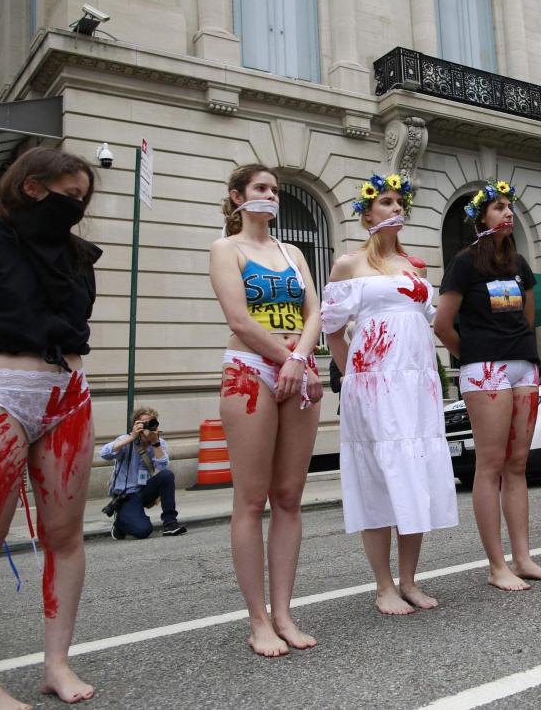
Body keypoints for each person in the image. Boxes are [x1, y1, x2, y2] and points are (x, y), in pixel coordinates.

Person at [0, 147, 101, 706]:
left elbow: (77, 324)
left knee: (66, 536)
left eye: (83, 199)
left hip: (69, 396)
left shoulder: (79, 256)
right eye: (69, 195)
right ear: (32, 186)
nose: (76, 207)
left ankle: (57, 664)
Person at [322, 172, 457, 614]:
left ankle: (410, 580)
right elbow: (333, 330)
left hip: (417, 382)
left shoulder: (414, 266)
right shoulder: (349, 264)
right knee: (378, 476)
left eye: (400, 202)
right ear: (367, 215)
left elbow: (427, 320)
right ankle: (383, 586)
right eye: (385, 202)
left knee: (414, 472)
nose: (395, 208)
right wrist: (352, 379)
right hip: (373, 383)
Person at [209, 163, 324, 656]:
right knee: (251, 500)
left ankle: (284, 612)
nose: (271, 196)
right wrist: (288, 359)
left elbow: (314, 311)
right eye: (261, 189)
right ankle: (257, 620)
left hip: (299, 370)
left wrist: (300, 359)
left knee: (290, 497)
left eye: (275, 190)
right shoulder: (225, 250)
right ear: (238, 197)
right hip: (249, 371)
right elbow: (238, 316)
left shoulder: (293, 252)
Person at [434, 180, 541, 591]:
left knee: (518, 464)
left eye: (509, 207)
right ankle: (496, 565)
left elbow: (525, 318)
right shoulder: (464, 264)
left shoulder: (519, 264)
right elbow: (442, 324)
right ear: (480, 218)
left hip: (523, 366)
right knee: (489, 465)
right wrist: (472, 353)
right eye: (498, 208)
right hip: (484, 371)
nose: (508, 213)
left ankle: (523, 558)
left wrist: (514, 348)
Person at [99, 407, 187, 539]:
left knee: (167, 475)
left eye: (151, 422)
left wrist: (155, 443)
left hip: (145, 490)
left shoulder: (158, 442)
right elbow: (104, 454)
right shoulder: (126, 440)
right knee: (143, 531)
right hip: (127, 495)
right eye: (143, 423)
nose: (147, 426)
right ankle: (120, 523)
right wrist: (132, 437)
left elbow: (162, 466)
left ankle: (170, 523)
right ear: (136, 425)